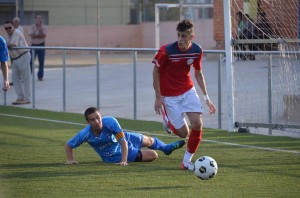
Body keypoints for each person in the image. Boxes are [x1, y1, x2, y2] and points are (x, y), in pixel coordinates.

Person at [152, 19, 216, 171]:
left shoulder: (197, 50)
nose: (180, 39)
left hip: (188, 90)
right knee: (183, 134)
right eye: (179, 36)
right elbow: (156, 71)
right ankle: (167, 120)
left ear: (191, 37)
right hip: (169, 96)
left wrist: (207, 98)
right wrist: (158, 97)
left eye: (184, 36)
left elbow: (198, 72)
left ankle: (187, 161)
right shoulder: (166, 50)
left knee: (198, 124)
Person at [65, 107, 186, 165]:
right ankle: (153, 151)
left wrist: (124, 161)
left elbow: (122, 141)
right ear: (88, 122)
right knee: (153, 155)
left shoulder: (111, 122)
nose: (97, 121)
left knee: (148, 140)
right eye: (92, 120)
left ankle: (167, 148)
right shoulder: (85, 134)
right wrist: (70, 160)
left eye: (98, 118)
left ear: (101, 116)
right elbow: (69, 145)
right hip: (114, 155)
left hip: (123, 139)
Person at [4, 21, 31, 105]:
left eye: (9, 27)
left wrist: (3, 44)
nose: (8, 29)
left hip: (23, 56)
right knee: (15, 79)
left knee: (26, 79)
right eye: (6, 28)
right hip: (15, 59)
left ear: (13, 27)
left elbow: (13, 44)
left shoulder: (17, 32)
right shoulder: (7, 36)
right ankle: (20, 97)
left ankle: (27, 98)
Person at [29, 15, 47, 81]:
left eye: (40, 18)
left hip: (41, 45)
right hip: (33, 45)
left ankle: (40, 76)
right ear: (35, 19)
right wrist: (39, 36)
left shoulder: (44, 27)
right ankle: (28, 75)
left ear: (41, 19)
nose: (38, 19)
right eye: (37, 18)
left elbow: (43, 35)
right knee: (30, 61)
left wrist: (40, 29)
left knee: (41, 61)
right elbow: (31, 35)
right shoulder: (32, 27)